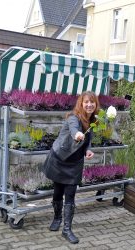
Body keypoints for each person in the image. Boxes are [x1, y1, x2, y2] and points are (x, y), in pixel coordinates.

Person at [43, 91, 98, 244]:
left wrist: (87, 149)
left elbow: (88, 140)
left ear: (95, 105)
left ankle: (67, 229)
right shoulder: (73, 117)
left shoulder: (92, 120)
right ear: (81, 103)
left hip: (75, 163)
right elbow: (75, 129)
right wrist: (77, 134)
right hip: (59, 159)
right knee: (57, 192)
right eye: (86, 102)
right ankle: (57, 218)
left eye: (92, 102)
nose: (89, 105)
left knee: (70, 195)